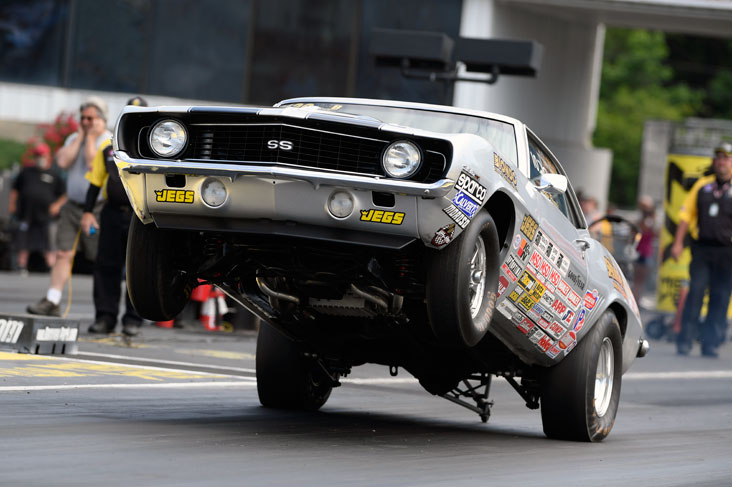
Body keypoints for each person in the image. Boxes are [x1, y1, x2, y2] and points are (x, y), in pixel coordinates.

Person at [27, 97, 110, 317]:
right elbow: (62, 162)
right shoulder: (74, 138)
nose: (85, 122)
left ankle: (105, 309)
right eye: (83, 118)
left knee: (99, 257)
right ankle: (52, 299)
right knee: (63, 252)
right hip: (72, 207)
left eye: (90, 118)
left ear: (101, 119)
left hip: (97, 209)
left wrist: (91, 138)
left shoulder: (107, 140)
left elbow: (93, 165)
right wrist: (81, 137)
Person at [81, 96, 147, 336]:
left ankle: (133, 320)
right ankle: (105, 318)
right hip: (112, 213)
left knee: (138, 269)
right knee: (106, 266)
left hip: (142, 217)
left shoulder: (158, 148)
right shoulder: (108, 148)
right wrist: (87, 212)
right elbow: (94, 182)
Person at [671, 142, 732, 358]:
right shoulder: (702, 186)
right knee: (695, 291)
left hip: (727, 252)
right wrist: (678, 243)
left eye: (726, 158)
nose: (721, 162)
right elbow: (686, 216)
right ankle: (685, 340)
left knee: (720, 297)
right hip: (703, 249)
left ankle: (710, 343)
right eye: (718, 158)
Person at [9, 143, 66, 273]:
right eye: (37, 155)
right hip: (26, 213)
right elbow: (15, 190)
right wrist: (12, 205)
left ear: (48, 156)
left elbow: (64, 194)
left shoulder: (54, 174)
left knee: (49, 242)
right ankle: (21, 266)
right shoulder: (26, 172)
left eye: (42, 155)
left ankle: (52, 267)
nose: (39, 158)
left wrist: (57, 205)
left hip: (46, 215)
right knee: (23, 241)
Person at [631, 195, 657, 301]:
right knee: (639, 281)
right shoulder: (648, 224)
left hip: (641, 253)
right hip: (644, 253)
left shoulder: (641, 223)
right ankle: (636, 300)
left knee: (638, 280)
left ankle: (636, 299)